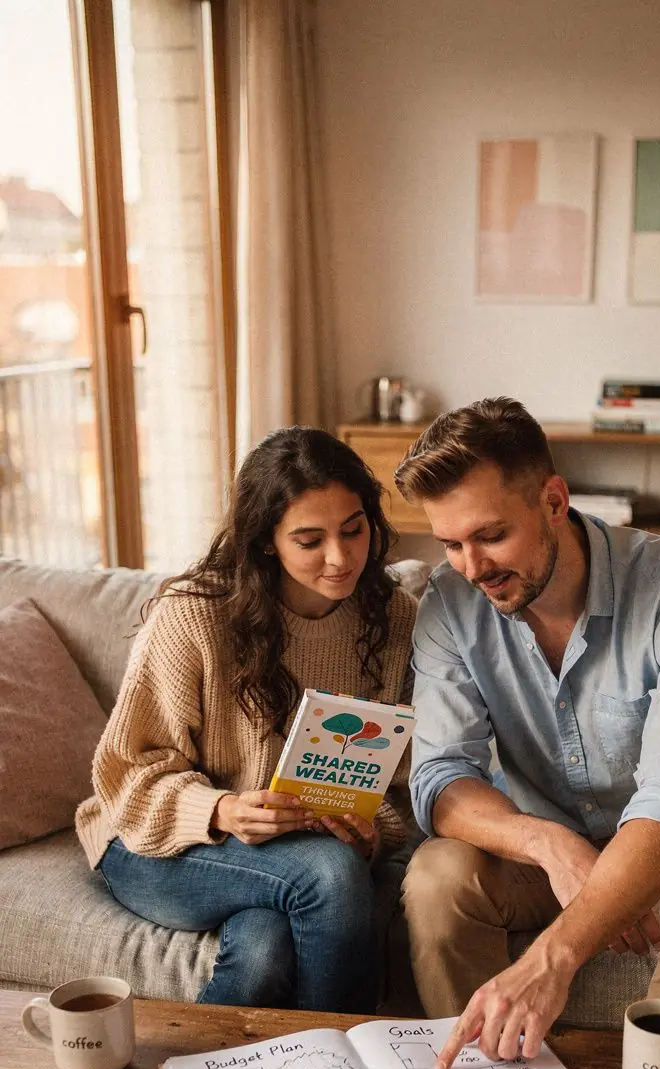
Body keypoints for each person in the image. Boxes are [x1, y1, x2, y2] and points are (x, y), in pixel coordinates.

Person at [393, 397, 660, 1069]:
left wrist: (558, 952)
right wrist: (550, 844)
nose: (471, 567)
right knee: (436, 875)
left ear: (552, 500)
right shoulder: (450, 604)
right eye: (450, 544)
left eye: (489, 536)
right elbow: (440, 779)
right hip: (540, 854)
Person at [76, 427, 417, 1012]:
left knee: (265, 948)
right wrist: (221, 809)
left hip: (290, 854)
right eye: (310, 540)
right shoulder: (195, 616)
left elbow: (404, 778)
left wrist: (370, 831)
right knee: (330, 876)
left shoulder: (394, 619)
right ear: (265, 542)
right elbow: (125, 776)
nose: (340, 557)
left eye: (353, 529)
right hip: (157, 842)